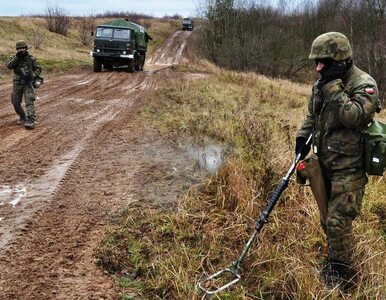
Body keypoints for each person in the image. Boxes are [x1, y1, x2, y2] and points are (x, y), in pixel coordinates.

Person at [295, 32, 379, 290]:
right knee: (327, 220)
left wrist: (333, 86)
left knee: (337, 221)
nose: (317, 67)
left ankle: (344, 278)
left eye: (323, 62)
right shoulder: (321, 84)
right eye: (316, 62)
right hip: (325, 163)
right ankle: (335, 261)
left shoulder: (363, 84)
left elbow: (353, 116)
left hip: (349, 167)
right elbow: (313, 115)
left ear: (340, 60)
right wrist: (302, 137)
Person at [6, 40, 42, 129]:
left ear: (26, 48)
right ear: (17, 50)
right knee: (15, 102)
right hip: (17, 83)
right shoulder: (14, 58)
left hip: (28, 83)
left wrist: (33, 76)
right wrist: (17, 58)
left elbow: (38, 68)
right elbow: (9, 66)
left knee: (29, 101)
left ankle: (31, 120)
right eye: (19, 49)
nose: (21, 50)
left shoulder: (31, 58)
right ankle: (22, 116)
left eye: (23, 48)